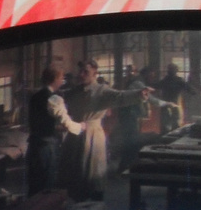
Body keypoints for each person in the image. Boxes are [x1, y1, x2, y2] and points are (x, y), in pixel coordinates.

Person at [59, 60, 151, 200]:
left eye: (86, 72)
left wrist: (139, 94)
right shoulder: (74, 91)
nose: (82, 75)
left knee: (93, 171)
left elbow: (120, 96)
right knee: (74, 170)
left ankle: (95, 200)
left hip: (92, 134)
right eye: (81, 71)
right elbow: (61, 101)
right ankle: (75, 200)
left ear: (95, 74)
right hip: (75, 134)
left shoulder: (102, 90)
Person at [26, 67, 82, 195]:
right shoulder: (53, 99)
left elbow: (40, 121)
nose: (62, 81)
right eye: (61, 78)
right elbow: (67, 123)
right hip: (46, 146)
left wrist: (55, 127)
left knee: (34, 183)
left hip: (34, 144)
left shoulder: (34, 97)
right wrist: (80, 127)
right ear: (55, 79)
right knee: (47, 183)